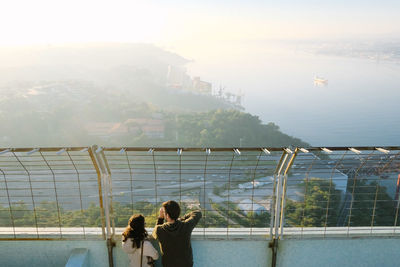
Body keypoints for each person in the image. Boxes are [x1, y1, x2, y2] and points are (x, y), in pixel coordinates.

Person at [152, 200, 202, 267]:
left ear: (166, 215)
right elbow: (198, 213)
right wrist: (181, 219)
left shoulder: (159, 230)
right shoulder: (186, 226)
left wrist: (160, 218)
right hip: (186, 264)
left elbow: (154, 235)